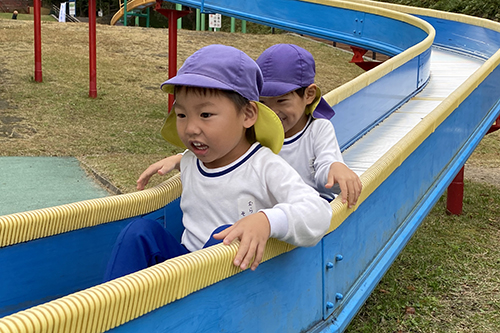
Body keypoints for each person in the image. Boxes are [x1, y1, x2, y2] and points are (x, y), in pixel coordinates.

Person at [104, 44, 332, 281]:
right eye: (181, 115)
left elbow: (318, 212)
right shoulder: (193, 160)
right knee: (139, 232)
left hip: (231, 278)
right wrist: (177, 161)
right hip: (188, 268)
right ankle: (110, 309)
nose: (191, 128)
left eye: (205, 115)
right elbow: (197, 166)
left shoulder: (265, 166)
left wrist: (266, 220)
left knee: (221, 236)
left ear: (247, 115)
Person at [256, 43, 362, 206]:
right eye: (262, 102)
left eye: (282, 101)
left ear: (309, 95)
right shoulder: (256, 131)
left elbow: (325, 164)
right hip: (271, 217)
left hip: (310, 211)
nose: (272, 111)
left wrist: (335, 168)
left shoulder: (318, 129)